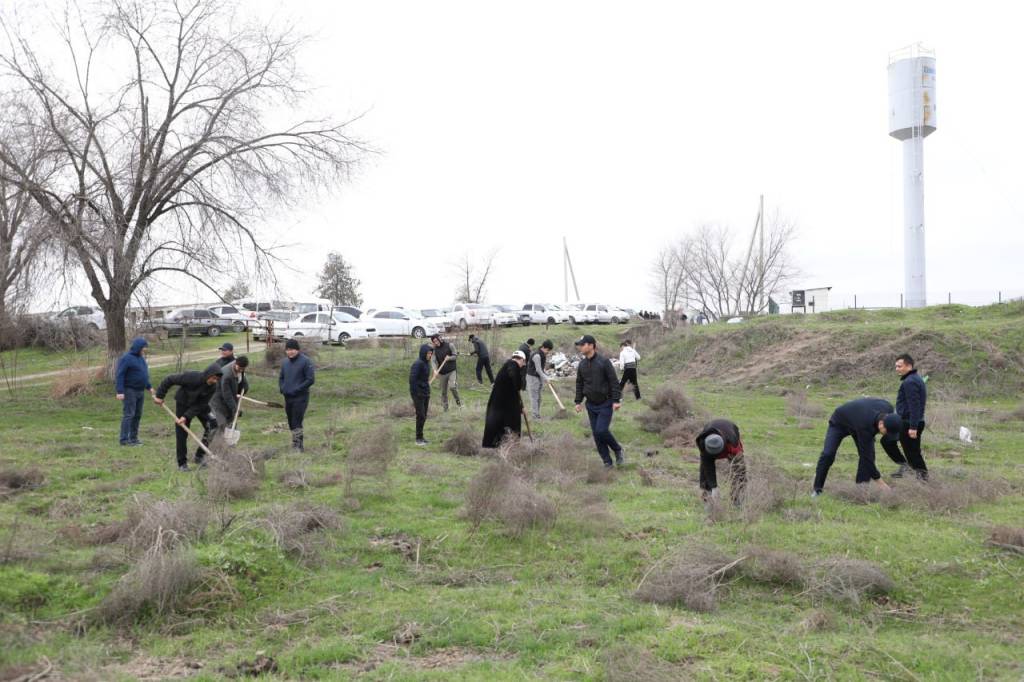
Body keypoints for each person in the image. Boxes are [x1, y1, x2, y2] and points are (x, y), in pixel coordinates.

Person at [812, 397, 902, 496]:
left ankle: (860, 490)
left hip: (859, 419)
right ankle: (817, 490)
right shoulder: (865, 426)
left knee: (868, 456)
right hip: (840, 423)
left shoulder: (888, 408)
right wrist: (881, 484)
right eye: (887, 432)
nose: (887, 435)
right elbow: (866, 457)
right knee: (828, 454)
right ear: (881, 424)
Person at [154, 366, 221, 471]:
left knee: (213, 425)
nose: (215, 381)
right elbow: (169, 379)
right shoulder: (191, 377)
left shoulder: (213, 387)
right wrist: (159, 395)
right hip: (183, 403)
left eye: (217, 379)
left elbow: (201, 404)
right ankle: (182, 463)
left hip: (201, 406)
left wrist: (186, 416)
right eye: (213, 378)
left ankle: (199, 456)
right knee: (182, 432)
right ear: (208, 375)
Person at [573, 334, 624, 468]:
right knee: (596, 435)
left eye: (582, 344)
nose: (580, 347)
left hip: (605, 403)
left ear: (591, 345)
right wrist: (578, 401)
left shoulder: (604, 362)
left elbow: (614, 381)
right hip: (591, 404)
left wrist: (616, 400)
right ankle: (607, 462)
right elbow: (579, 383)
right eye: (579, 345)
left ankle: (617, 449)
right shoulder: (582, 364)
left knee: (601, 431)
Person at [886, 353, 929, 480]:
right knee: (889, 441)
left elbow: (914, 405)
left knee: (913, 453)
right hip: (909, 421)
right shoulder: (914, 379)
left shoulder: (910, 382)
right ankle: (911, 470)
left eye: (899, 366)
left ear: (909, 366)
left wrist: (913, 427)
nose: (897, 369)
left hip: (910, 422)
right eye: (896, 366)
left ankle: (923, 479)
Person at [696, 419, 746, 506]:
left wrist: (739, 482)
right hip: (711, 428)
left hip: (730, 428)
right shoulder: (703, 443)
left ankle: (737, 499)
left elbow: (740, 467)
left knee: (739, 471)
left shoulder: (732, 444)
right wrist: (714, 487)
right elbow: (708, 467)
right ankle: (707, 496)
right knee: (705, 468)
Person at [483, 350, 528, 448]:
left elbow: (513, 389)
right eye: (523, 363)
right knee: (511, 423)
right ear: (521, 360)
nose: (523, 365)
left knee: (499, 425)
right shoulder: (514, 365)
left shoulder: (507, 365)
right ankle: (510, 445)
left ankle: (501, 445)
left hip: (499, 402)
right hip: (505, 404)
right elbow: (517, 385)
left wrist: (521, 407)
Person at [115, 337, 155, 446]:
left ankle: (133, 438)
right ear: (138, 347)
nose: (145, 350)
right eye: (143, 348)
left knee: (137, 415)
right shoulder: (126, 358)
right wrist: (120, 391)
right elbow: (120, 375)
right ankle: (124, 440)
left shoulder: (141, 359)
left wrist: (149, 387)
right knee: (129, 415)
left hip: (140, 391)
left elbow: (143, 374)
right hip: (129, 390)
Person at [279, 338, 315, 451]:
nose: (290, 352)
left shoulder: (306, 361)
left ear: (297, 350)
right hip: (288, 397)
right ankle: (295, 443)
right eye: (288, 350)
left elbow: (310, 380)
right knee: (290, 421)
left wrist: (297, 389)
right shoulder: (285, 362)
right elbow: (281, 377)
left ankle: (299, 446)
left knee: (296, 421)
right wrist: (282, 388)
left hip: (300, 397)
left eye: (292, 349)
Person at [209, 356, 250, 441]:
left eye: (243, 369)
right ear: (236, 364)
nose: (241, 370)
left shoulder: (240, 367)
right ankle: (212, 443)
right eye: (240, 368)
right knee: (221, 423)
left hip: (229, 398)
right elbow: (227, 395)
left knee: (232, 422)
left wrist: (245, 387)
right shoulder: (227, 375)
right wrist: (235, 409)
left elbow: (242, 379)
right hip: (218, 401)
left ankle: (229, 444)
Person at [430, 334, 462, 410]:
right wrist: (435, 370)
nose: (436, 342)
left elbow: (455, 356)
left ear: (440, 339)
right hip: (442, 374)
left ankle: (459, 404)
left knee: (452, 387)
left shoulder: (450, 345)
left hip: (451, 371)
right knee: (443, 392)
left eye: (436, 340)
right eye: (434, 341)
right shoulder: (435, 350)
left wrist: (449, 358)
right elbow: (433, 361)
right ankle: (445, 408)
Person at [410, 343, 433, 445]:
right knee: (421, 416)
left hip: (425, 392)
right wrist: (417, 393)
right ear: (423, 353)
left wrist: (427, 389)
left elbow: (424, 379)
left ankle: (421, 437)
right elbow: (412, 380)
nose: (430, 355)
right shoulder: (417, 364)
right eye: (428, 353)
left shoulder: (427, 363)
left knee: (424, 416)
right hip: (418, 394)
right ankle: (418, 439)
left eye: (431, 353)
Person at [525, 339, 553, 420]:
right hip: (532, 378)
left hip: (538, 377)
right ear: (543, 347)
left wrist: (546, 376)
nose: (548, 352)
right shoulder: (536, 355)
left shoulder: (542, 354)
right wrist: (546, 378)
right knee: (534, 397)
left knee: (539, 398)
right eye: (547, 350)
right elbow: (538, 370)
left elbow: (542, 369)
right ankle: (535, 416)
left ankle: (537, 414)